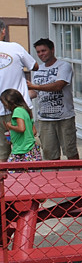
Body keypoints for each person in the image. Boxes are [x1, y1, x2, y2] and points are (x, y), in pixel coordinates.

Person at [27, 37, 79, 160]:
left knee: (70, 151)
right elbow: (34, 92)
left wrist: (35, 86)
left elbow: (59, 85)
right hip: (44, 119)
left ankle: (77, 174)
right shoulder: (38, 69)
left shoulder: (64, 66)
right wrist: (19, 98)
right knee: (50, 154)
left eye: (43, 50)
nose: (41, 54)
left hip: (64, 117)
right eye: (38, 52)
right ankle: (54, 177)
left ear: (52, 49)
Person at [0, 20, 38, 161]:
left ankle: (3, 181)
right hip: (19, 106)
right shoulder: (15, 47)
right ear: (3, 31)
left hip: (3, 109)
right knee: (25, 143)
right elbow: (35, 66)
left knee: (2, 150)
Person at [1, 89, 42, 162]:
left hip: (21, 150)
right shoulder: (25, 110)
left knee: (13, 171)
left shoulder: (17, 111)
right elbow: (34, 131)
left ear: (10, 103)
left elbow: (21, 128)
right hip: (30, 148)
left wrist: (10, 126)